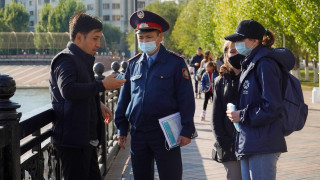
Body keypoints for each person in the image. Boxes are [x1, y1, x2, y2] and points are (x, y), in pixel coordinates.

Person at [114, 10, 196, 180]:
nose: (145, 41)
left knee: (170, 176)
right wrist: (122, 127)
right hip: (138, 133)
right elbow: (124, 98)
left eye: (149, 37)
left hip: (166, 133)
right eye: (141, 38)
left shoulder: (175, 63)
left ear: (160, 37)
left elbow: (186, 98)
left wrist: (187, 129)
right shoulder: (133, 64)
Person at [49, 12, 126, 180]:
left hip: (85, 140)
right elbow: (68, 90)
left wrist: (98, 104)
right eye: (95, 38)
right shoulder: (66, 60)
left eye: (99, 39)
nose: (98, 44)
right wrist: (103, 85)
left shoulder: (83, 59)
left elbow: (83, 89)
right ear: (78, 37)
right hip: (73, 142)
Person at [225, 19, 293, 180]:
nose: (236, 44)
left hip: (263, 142)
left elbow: (272, 105)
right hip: (251, 140)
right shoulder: (251, 62)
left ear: (255, 41)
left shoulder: (264, 64)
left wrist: (241, 115)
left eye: (240, 40)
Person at [211, 41, 244, 180]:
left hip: (251, 142)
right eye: (232, 51)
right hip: (230, 145)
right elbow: (216, 117)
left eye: (239, 51)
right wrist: (225, 143)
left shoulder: (252, 77)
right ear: (225, 55)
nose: (235, 55)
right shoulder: (220, 80)